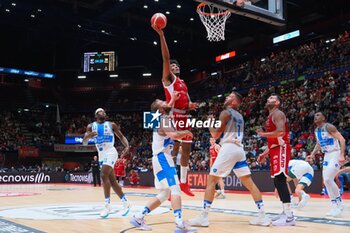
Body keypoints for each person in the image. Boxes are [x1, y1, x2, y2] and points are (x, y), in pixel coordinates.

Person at [189, 92, 270, 227]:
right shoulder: (240, 116)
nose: (227, 97)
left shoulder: (226, 112)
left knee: (211, 180)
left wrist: (209, 123)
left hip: (229, 148)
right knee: (249, 183)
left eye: (230, 96)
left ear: (234, 102)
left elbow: (215, 134)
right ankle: (262, 215)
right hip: (239, 149)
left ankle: (203, 216)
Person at [130, 96, 197, 232]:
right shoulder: (163, 119)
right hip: (162, 158)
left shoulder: (162, 116)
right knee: (175, 189)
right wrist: (186, 132)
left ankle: (138, 217)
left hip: (159, 158)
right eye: (163, 102)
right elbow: (173, 135)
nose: (167, 102)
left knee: (165, 193)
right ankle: (179, 223)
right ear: (160, 109)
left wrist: (172, 99)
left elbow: (169, 107)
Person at [152, 23, 198, 197]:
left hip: (185, 115)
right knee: (174, 148)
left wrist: (191, 105)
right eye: (172, 66)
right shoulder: (167, 79)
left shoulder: (183, 82)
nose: (175, 66)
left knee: (186, 149)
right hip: (174, 116)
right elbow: (165, 58)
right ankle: (173, 185)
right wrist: (161, 35)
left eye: (176, 66)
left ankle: (184, 183)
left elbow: (187, 100)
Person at [83, 108, 131, 218]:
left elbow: (121, 136)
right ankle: (126, 203)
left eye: (104, 112)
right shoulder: (91, 126)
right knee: (113, 182)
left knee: (103, 174)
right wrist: (88, 136)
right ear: (96, 115)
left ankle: (107, 206)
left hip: (111, 151)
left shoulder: (111, 124)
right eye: (101, 112)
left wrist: (127, 146)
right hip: (101, 155)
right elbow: (84, 142)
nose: (103, 113)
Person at [257, 94, 295, 226]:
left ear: (277, 102)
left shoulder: (278, 114)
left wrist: (263, 134)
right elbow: (273, 140)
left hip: (282, 148)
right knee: (277, 181)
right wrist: (264, 153)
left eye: (272, 98)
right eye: (268, 98)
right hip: (274, 149)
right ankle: (285, 212)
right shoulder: (269, 116)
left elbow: (281, 133)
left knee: (280, 179)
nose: (268, 99)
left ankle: (290, 217)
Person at [308, 112, 346, 217]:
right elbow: (319, 144)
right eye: (315, 115)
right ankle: (334, 205)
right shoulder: (316, 130)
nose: (316, 116)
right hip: (327, 155)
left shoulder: (329, 127)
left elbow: (342, 139)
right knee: (326, 181)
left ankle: (340, 203)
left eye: (318, 115)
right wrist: (312, 154)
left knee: (329, 179)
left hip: (335, 153)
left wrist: (342, 155)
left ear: (324, 117)